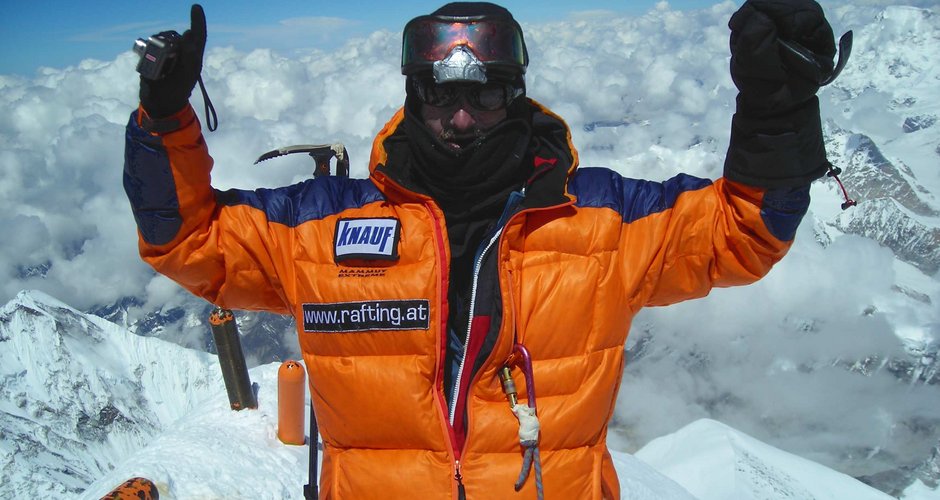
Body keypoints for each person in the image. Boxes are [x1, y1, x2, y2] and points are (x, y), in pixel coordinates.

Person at [123, 1, 840, 498]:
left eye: (486, 95)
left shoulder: (602, 223)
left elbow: (742, 232)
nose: (461, 118)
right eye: (440, 97)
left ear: (517, 95)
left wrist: (776, 109)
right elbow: (188, 239)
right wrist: (164, 119)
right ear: (413, 97)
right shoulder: (319, 231)